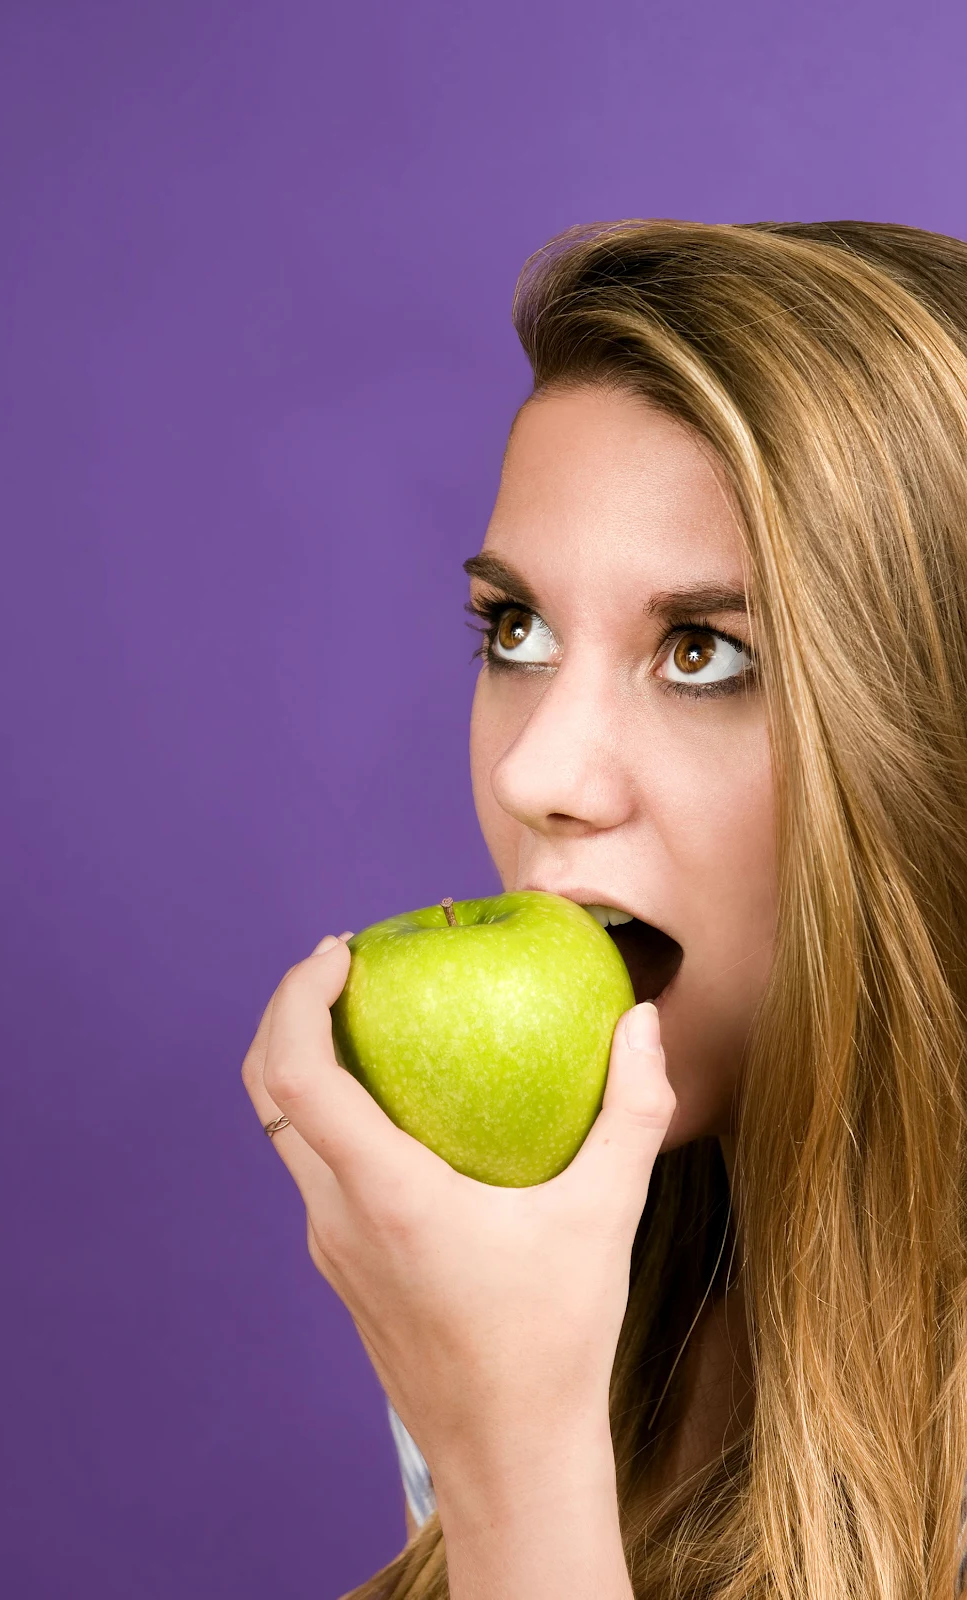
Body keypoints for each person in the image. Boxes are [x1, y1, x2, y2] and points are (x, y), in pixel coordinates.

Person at [241, 219, 967, 1600]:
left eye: (702, 652)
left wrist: (516, 1471)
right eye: (513, 632)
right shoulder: (538, 1277)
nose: (534, 773)